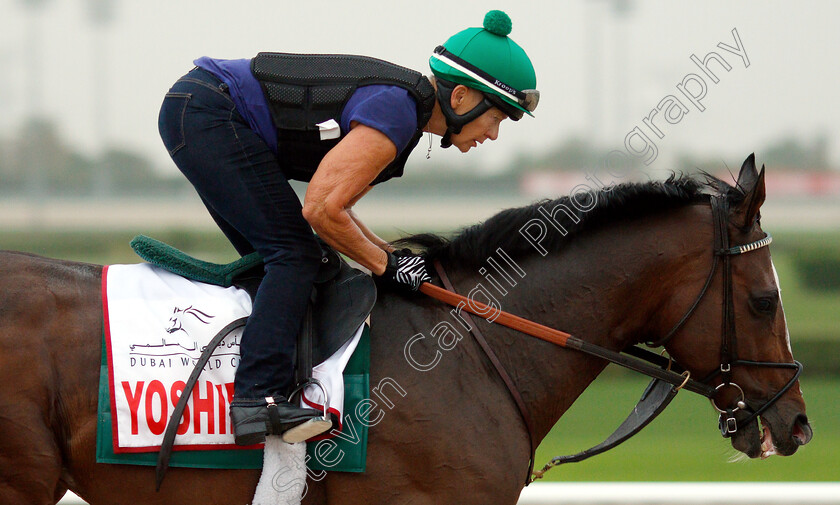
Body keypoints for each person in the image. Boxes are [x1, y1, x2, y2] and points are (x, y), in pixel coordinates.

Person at [157, 10, 538, 446]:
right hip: (207, 111)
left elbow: (342, 212)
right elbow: (320, 209)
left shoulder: (404, 126)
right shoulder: (396, 112)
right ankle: (256, 400)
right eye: (497, 119)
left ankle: (268, 386)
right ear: (462, 98)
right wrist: (384, 266)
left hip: (202, 111)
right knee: (294, 257)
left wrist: (390, 257)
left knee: (307, 262)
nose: (493, 134)